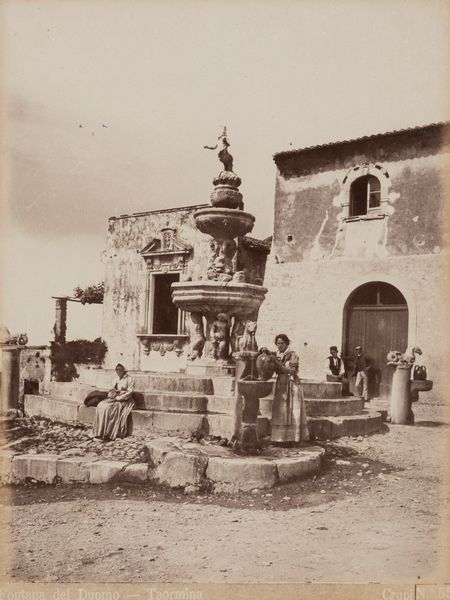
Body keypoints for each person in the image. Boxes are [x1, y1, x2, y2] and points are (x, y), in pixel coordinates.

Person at [269, 333, 309, 445]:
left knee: (292, 411)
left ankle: (292, 438)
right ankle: (280, 438)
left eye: (282, 343)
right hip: (281, 384)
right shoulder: (278, 354)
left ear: (287, 344)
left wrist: (278, 364)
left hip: (291, 384)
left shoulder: (292, 355)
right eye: (278, 343)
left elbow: (292, 371)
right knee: (281, 411)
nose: (280, 346)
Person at [91, 364, 135, 440]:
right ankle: (99, 431)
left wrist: (119, 398)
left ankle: (108, 432)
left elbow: (130, 393)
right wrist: (112, 394)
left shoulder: (130, 379)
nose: (118, 371)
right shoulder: (115, 379)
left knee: (108, 408)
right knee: (101, 405)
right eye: (116, 370)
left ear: (124, 370)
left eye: (120, 370)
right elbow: (112, 389)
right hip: (114, 398)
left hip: (125, 400)